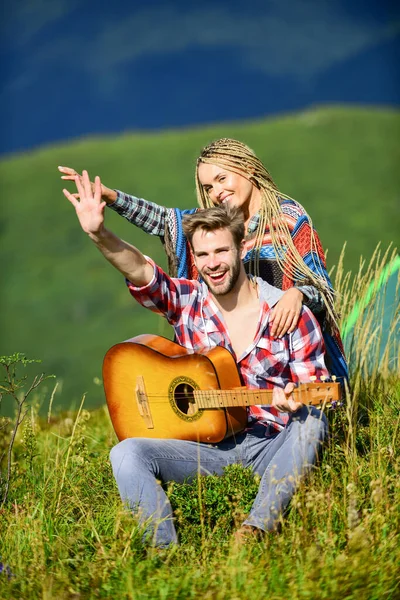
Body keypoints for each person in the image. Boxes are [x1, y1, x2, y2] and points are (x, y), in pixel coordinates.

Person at [63, 170, 329, 548]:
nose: (212, 263)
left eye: (221, 251)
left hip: (273, 445)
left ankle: (255, 530)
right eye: (202, 255)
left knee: (313, 421)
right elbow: (141, 270)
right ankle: (163, 554)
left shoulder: (288, 314)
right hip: (207, 448)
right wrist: (98, 234)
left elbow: (317, 389)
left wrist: (296, 397)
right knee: (125, 453)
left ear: (239, 249)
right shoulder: (187, 302)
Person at [59, 138, 348, 383]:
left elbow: (322, 288)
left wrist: (296, 294)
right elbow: (164, 220)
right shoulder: (216, 224)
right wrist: (111, 197)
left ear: (248, 168)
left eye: (222, 179)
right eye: (208, 187)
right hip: (225, 357)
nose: (217, 192)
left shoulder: (289, 218)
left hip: (284, 352)